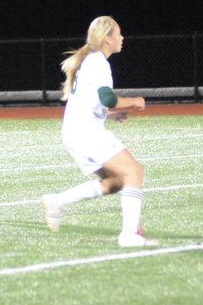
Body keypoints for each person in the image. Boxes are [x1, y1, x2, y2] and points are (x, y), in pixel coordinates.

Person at [40, 16, 157, 247]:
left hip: (75, 131)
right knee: (133, 171)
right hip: (86, 132)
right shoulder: (98, 62)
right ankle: (129, 235)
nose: (122, 38)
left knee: (116, 181)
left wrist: (109, 115)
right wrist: (135, 101)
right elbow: (107, 98)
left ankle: (57, 201)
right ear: (107, 38)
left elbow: (91, 102)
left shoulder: (89, 60)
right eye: (118, 33)